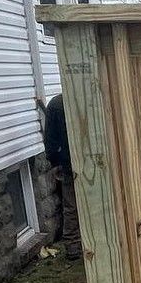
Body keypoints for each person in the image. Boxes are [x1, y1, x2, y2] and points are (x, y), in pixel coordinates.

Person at [43, 94, 82, 260]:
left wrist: (54, 161)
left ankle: (73, 246)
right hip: (90, 162)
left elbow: (50, 140)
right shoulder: (84, 98)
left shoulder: (56, 103)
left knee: (71, 206)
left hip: (68, 162)